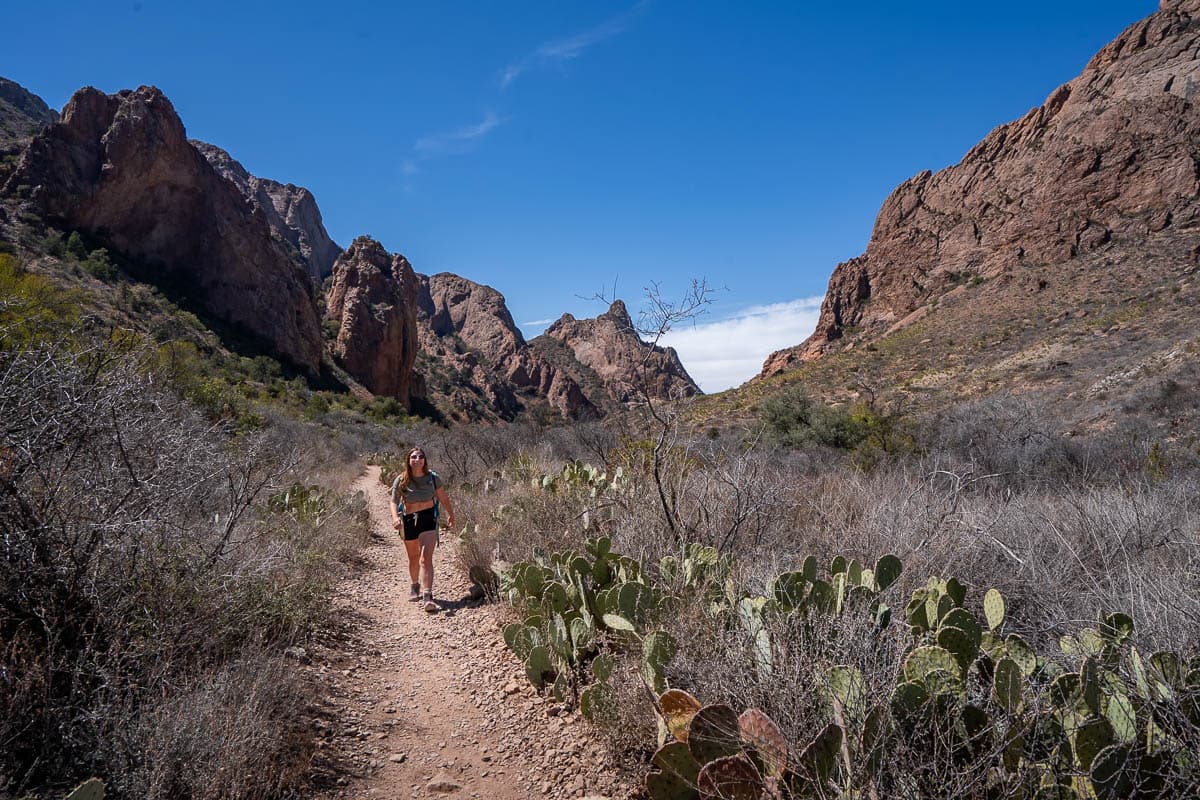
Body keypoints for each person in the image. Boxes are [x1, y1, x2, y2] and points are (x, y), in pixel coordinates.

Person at [390, 447, 455, 612]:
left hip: (428, 519)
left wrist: (451, 514)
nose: (417, 459)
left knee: (426, 558)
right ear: (409, 460)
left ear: (424, 460)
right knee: (413, 557)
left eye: (420, 457)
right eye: (413, 457)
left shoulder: (433, 478)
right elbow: (394, 501)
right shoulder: (401, 479)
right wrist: (395, 517)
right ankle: (414, 585)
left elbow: (443, 497)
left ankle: (427, 595)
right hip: (409, 520)